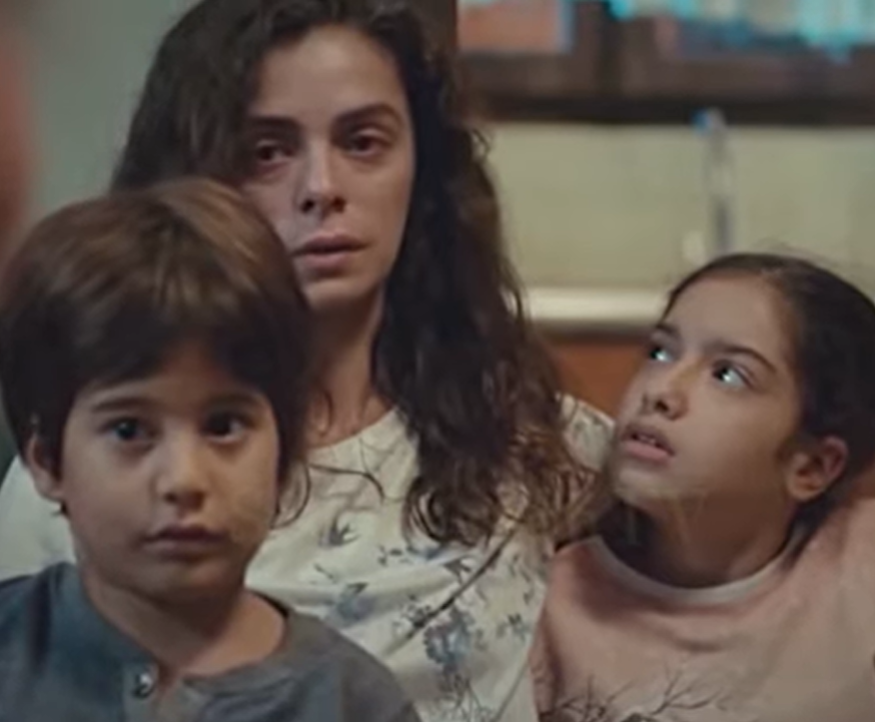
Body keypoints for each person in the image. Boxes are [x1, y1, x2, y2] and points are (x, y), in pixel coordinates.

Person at [0, 1, 612, 720]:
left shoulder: (532, 440)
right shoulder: (71, 478)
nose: (321, 187)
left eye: (363, 142)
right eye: (268, 152)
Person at [0, 177, 421, 722]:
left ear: (285, 447)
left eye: (224, 426)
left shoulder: (353, 703)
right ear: (47, 460)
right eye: (129, 430)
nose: (184, 479)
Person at [532, 253, 875, 722]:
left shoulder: (858, 568)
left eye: (728, 375)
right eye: (660, 353)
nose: (661, 391)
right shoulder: (552, 606)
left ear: (811, 466)